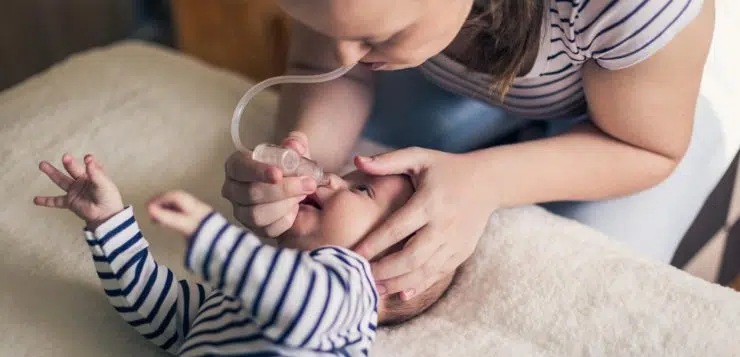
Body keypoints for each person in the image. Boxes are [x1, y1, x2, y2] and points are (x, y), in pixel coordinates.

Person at [222, 0, 718, 301]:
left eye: (377, 35)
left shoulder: (633, 7)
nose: (345, 53)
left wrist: (485, 181)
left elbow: (647, 147)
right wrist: (303, 160)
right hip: (439, 86)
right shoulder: (357, 41)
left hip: (623, 126)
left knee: (582, 280)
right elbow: (328, 66)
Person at [33, 153, 455, 356]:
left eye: (361, 190)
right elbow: (162, 313)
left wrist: (213, 237)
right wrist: (108, 225)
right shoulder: (248, 286)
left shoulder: (353, 290)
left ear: (400, 267)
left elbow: (300, 302)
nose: (328, 182)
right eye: (342, 178)